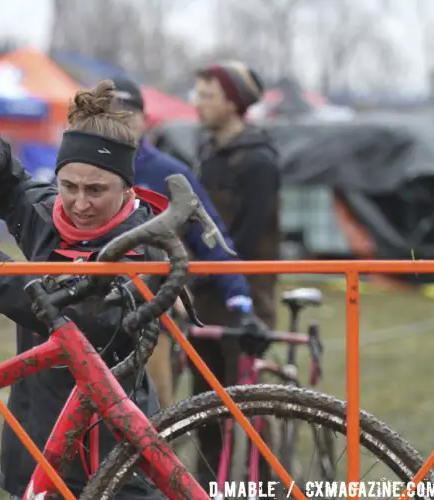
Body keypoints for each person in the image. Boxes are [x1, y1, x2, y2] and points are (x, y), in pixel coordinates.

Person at [0, 80, 168, 499]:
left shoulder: (146, 242)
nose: (79, 203)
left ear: (127, 188)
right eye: (69, 185)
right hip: (36, 426)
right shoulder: (49, 212)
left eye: (96, 190)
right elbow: (12, 185)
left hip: (111, 440)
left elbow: (91, 316)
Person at [109, 76, 260, 411]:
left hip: (149, 317)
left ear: (144, 120)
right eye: (108, 115)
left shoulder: (169, 173)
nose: (117, 123)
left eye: (126, 114)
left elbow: (211, 236)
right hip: (87, 315)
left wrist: (239, 299)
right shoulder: (80, 171)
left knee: (153, 420)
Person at [191, 61, 281, 484]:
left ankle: (264, 488)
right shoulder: (208, 154)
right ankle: (205, 488)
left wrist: (210, 273)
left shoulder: (258, 160)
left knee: (250, 410)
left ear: (233, 102)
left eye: (207, 94)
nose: (198, 103)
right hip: (205, 298)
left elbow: (243, 237)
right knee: (203, 408)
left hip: (246, 298)